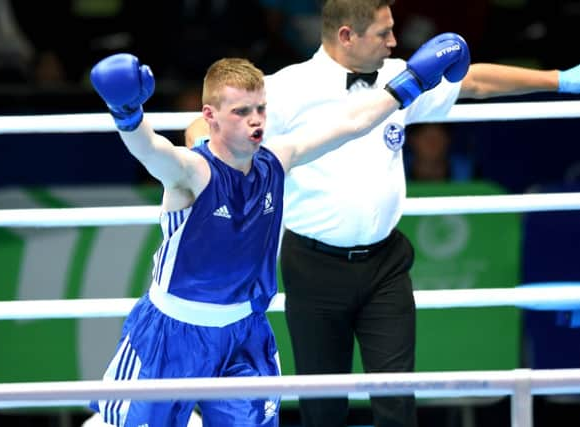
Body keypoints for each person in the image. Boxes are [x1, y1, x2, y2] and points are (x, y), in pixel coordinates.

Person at [184, 1, 580, 426]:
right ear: (346, 37)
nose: (394, 41)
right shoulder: (284, 90)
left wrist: (559, 79)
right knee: (323, 409)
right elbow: (201, 126)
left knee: (397, 403)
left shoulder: (398, 76)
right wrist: (203, 163)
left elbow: (474, 81)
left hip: (386, 266)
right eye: (383, 33)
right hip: (313, 267)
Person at [87, 30, 470, 426]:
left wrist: (412, 82)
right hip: (171, 335)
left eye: (260, 109)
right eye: (240, 112)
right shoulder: (192, 172)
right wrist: (128, 115)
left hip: (244, 335)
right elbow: (151, 151)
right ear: (210, 116)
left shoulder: (277, 159)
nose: (255, 121)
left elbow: (351, 122)